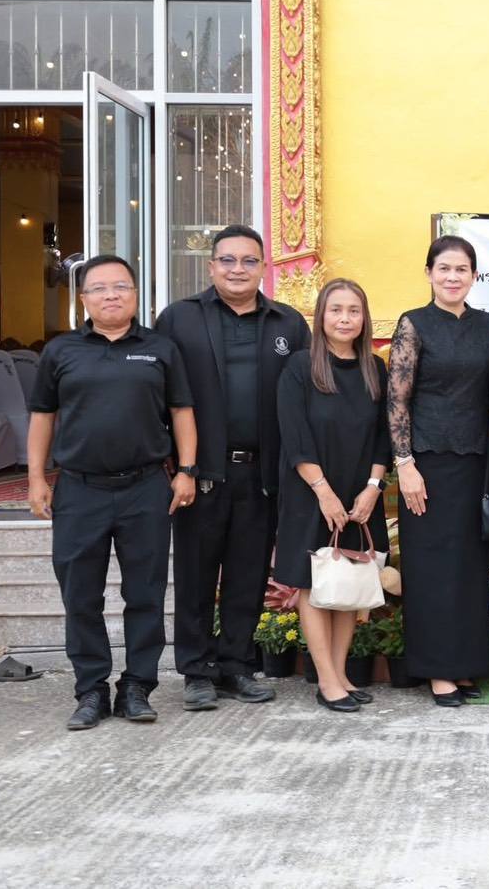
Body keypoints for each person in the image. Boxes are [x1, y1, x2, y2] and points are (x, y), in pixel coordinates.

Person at [26, 255, 197, 730]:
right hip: (79, 491)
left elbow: (182, 411)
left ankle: (138, 685)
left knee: (145, 593)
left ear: (136, 294)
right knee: (81, 595)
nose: (111, 295)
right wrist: (36, 478)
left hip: (145, 487)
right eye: (99, 288)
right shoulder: (61, 352)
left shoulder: (161, 349)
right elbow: (43, 415)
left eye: (121, 286)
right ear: (83, 299)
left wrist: (185, 471)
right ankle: (91, 690)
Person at [155, 223, 310, 712]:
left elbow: (303, 397)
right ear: (211, 265)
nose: (238, 269)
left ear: (263, 267)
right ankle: (197, 672)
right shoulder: (179, 319)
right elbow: (158, 395)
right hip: (200, 472)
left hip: (262, 474)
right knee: (197, 576)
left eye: (248, 261)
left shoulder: (287, 324)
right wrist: (174, 464)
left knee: (247, 576)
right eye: (228, 260)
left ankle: (238, 666)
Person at [388, 236, 489, 708]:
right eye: (444, 268)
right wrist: (405, 464)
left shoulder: (486, 325)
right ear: (430, 272)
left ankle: (466, 664)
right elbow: (397, 399)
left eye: (462, 269)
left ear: (474, 275)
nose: (453, 277)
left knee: (470, 568)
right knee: (432, 567)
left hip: (475, 461)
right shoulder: (414, 324)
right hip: (426, 465)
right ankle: (437, 671)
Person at [273, 279, 391, 713]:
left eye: (354, 311)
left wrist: (373, 489)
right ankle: (325, 679)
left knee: (349, 582)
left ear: (364, 318)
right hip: (311, 491)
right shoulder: (301, 367)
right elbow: (294, 434)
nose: (345, 319)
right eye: (336, 310)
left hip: (361, 494)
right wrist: (322, 491)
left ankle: (340, 673)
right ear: (321, 316)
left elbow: (385, 436)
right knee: (313, 584)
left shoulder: (375, 369)